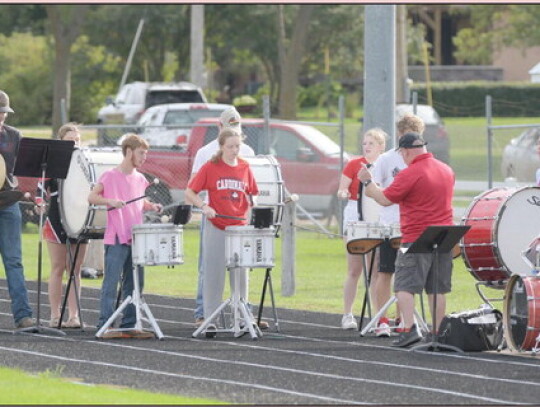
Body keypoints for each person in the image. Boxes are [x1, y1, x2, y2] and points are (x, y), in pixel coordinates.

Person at [359, 132, 455, 347]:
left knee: (404, 285)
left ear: (406, 151)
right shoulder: (446, 170)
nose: (402, 158)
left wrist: (368, 183)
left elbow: (384, 199)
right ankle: (437, 331)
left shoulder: (409, 173)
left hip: (416, 237)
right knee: (437, 288)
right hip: (445, 235)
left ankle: (408, 329)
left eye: (402, 154)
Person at [188, 106, 259, 328]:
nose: (235, 150)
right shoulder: (209, 164)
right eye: (231, 146)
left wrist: (253, 210)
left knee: (241, 274)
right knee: (212, 273)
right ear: (221, 145)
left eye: (237, 145)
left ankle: (241, 317)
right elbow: (190, 191)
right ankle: (209, 318)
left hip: (239, 226)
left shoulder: (246, 165)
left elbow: (253, 193)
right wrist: (204, 205)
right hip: (216, 224)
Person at [88, 133, 162, 339]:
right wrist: (110, 201)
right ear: (128, 151)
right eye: (141, 153)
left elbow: (139, 201)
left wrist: (151, 206)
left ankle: (129, 323)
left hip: (136, 237)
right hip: (117, 237)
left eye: (145, 154)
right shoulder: (110, 175)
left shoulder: (140, 178)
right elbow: (92, 197)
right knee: (111, 281)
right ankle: (105, 325)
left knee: (135, 282)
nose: (144, 157)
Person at [369, 113, 425, 337]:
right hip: (391, 224)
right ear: (399, 136)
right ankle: (382, 318)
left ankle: (404, 319)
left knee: (410, 274)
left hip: (415, 226)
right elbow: (376, 189)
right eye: (406, 136)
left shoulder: (425, 158)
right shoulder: (386, 159)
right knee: (385, 272)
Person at [336, 128, 386, 330]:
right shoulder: (354, 164)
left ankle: (377, 315)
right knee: (354, 269)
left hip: (376, 216)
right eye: (365, 143)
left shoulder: (384, 165)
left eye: (371, 144)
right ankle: (347, 314)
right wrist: (342, 193)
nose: (366, 147)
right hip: (355, 215)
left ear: (381, 147)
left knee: (375, 270)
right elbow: (342, 187)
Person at [39, 123, 88, 328]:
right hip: (57, 217)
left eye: (77, 140)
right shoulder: (53, 161)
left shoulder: (86, 161)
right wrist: (39, 202)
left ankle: (74, 316)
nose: (74, 144)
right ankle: (54, 314)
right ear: (61, 142)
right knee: (58, 267)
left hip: (81, 216)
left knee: (75, 268)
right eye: (70, 140)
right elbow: (40, 188)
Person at [0, 90, 34, 328]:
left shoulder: (15, 136)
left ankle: (23, 315)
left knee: (14, 260)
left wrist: (31, 191)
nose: (2, 116)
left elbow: (25, 169)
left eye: (4, 112)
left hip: (8, 202)